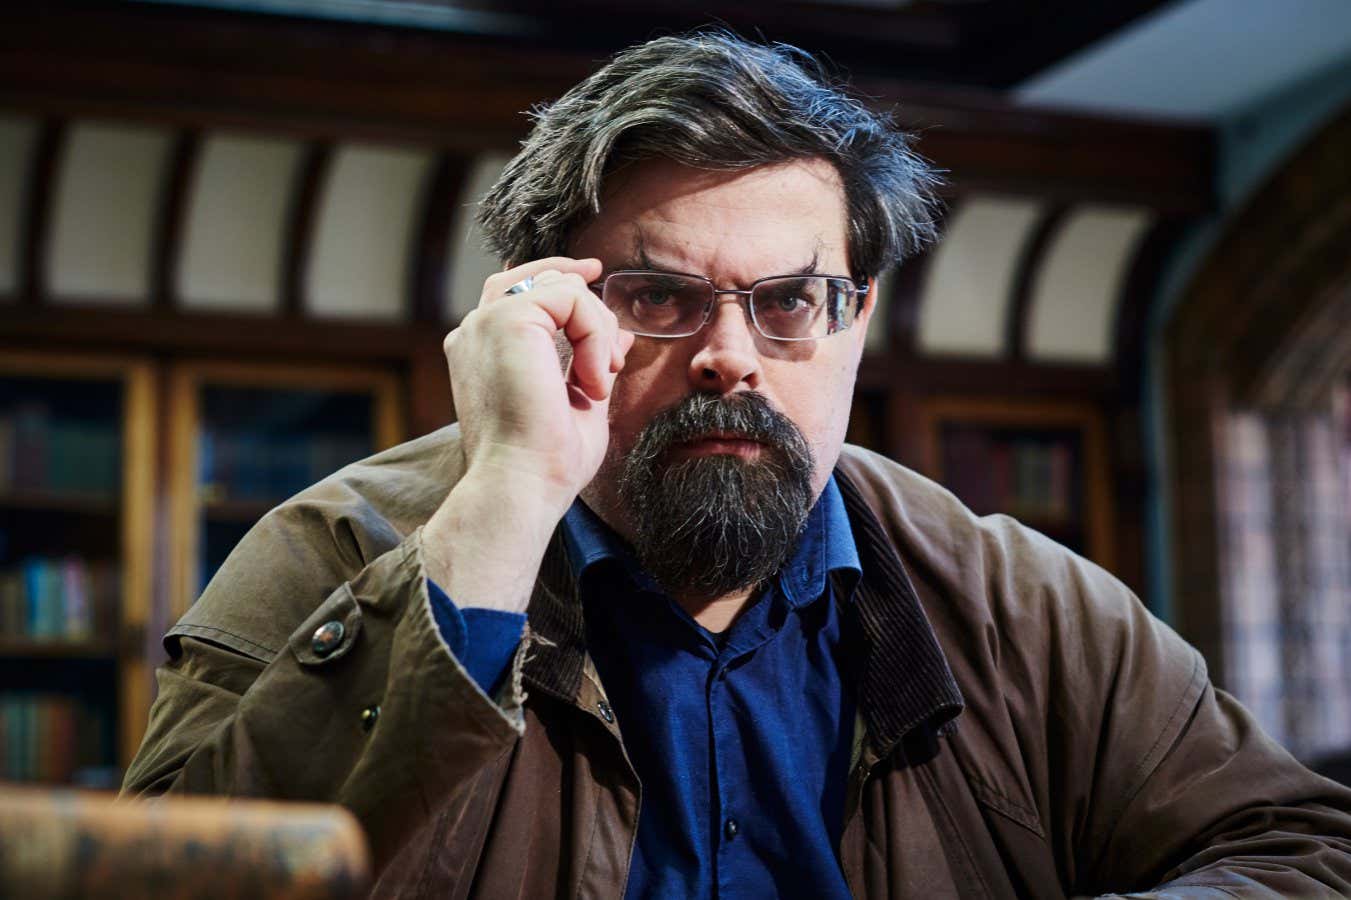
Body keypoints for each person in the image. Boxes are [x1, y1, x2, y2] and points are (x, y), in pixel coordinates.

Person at [123, 31, 1351, 898]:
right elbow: (177, 880)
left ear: (855, 318)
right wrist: (501, 499)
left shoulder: (1016, 600)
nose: (730, 357)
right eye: (659, 296)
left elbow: (1304, 852)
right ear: (544, 311)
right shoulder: (335, 551)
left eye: (788, 301)